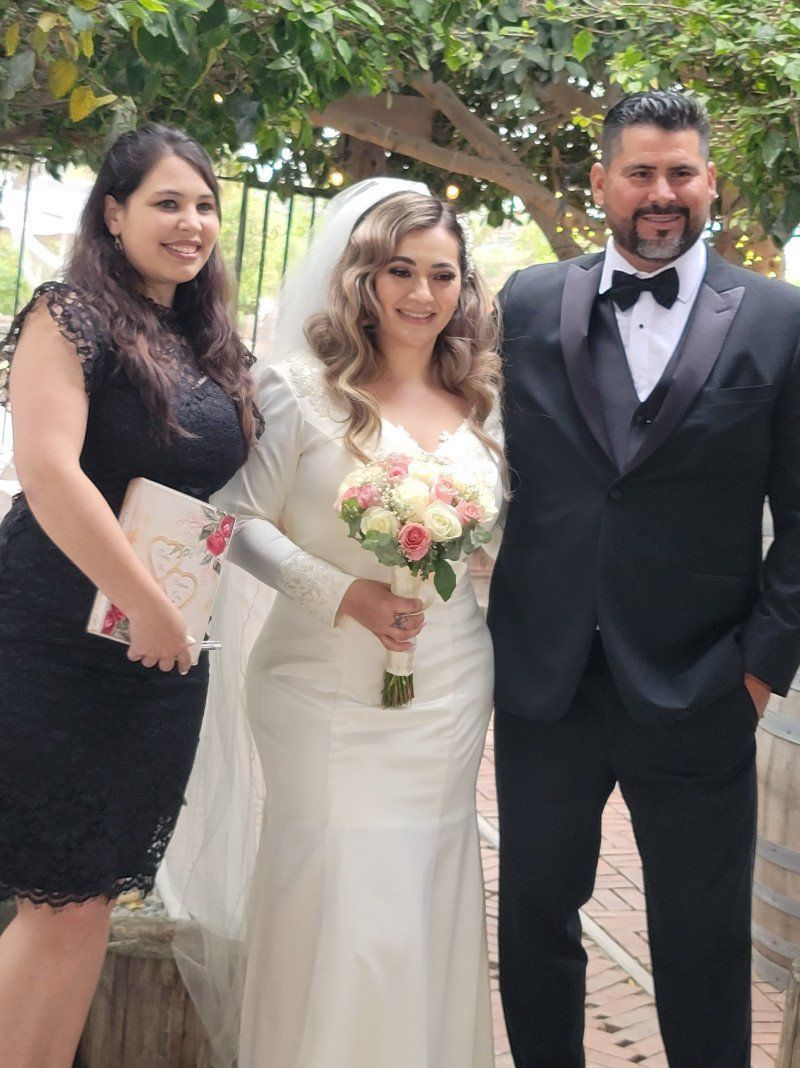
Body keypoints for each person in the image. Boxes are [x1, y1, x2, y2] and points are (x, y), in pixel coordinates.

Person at [489, 89, 800, 1067]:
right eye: (638, 173)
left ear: (710, 181)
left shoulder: (778, 319)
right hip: (546, 683)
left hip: (701, 684)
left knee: (702, 946)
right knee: (534, 925)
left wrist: (755, 670)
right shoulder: (526, 302)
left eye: (679, 173)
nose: (659, 194)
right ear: (598, 185)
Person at [170, 178, 506, 1068]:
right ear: (363, 276)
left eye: (443, 274)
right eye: (400, 270)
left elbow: (503, 538)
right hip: (319, 687)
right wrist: (344, 594)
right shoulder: (298, 391)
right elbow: (232, 520)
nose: (422, 295)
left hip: (448, 683)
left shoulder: (478, 401)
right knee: (339, 890)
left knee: (424, 887)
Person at [0, 123, 260, 1067]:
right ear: (113, 213)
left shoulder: (205, 340)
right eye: (166, 202)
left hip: (156, 655)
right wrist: (145, 598)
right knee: (56, 904)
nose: (191, 224)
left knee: (88, 909)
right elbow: (48, 468)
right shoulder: (65, 314)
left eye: (204, 205)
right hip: (55, 637)